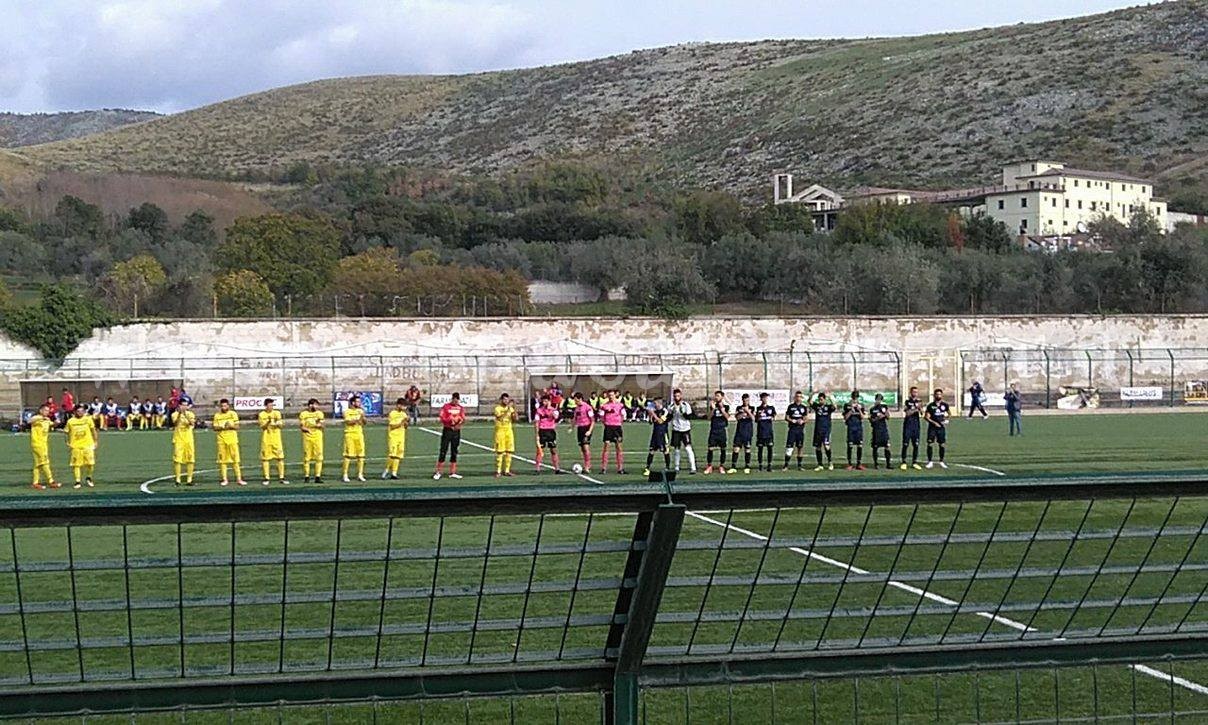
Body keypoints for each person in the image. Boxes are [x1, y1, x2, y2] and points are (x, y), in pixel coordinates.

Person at [433, 392, 466, 480]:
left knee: (454, 451)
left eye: (457, 399)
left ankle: (453, 472)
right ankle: (438, 472)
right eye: (455, 399)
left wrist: (459, 422)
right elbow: (442, 417)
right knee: (443, 450)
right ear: (452, 399)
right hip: (447, 430)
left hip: (456, 431)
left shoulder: (460, 408)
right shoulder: (446, 407)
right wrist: (449, 419)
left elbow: (463, 418)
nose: (456, 401)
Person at [213, 399, 245, 486]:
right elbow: (215, 428)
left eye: (225, 406)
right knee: (223, 461)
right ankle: (224, 479)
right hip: (221, 440)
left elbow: (237, 426)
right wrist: (222, 427)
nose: (224, 407)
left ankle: (239, 479)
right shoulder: (217, 415)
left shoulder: (233, 414)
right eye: (222, 406)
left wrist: (230, 426)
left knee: (236, 460)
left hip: (232, 440)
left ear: (228, 406)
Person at [65, 404, 98, 488]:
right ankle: (77, 481)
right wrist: (67, 442)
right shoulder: (70, 421)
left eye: (82, 411)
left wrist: (96, 441)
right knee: (76, 465)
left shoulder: (88, 419)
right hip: (76, 446)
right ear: (75, 412)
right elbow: (66, 432)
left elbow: (93, 430)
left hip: (88, 444)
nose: (80, 413)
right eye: (78, 411)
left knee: (91, 463)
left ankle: (89, 477)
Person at [28, 403, 59, 490]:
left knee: (37, 464)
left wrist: (56, 423)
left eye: (48, 411)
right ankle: (51, 481)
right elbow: (29, 421)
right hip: (38, 444)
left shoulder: (47, 419)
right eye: (45, 410)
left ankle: (35, 483)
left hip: (44, 444)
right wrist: (41, 417)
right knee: (45, 462)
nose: (47, 412)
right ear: (41, 410)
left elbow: (51, 424)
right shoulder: (36, 418)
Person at [259, 398, 287, 486]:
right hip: (266, 439)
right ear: (265, 406)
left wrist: (278, 423)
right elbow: (262, 427)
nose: (271, 407)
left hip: (276, 439)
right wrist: (268, 422)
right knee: (265, 459)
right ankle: (267, 478)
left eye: (272, 405)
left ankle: (281, 477)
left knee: (280, 458)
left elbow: (281, 424)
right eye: (269, 405)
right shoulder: (262, 414)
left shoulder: (277, 413)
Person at [668, 388, 697, 474]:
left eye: (678, 396)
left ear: (681, 396)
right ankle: (676, 467)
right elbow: (669, 417)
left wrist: (682, 412)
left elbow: (689, 417)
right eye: (675, 396)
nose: (677, 397)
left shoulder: (685, 405)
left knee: (688, 448)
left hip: (685, 430)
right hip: (676, 429)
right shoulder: (671, 406)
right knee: (676, 449)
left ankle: (693, 467)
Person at [533, 394, 562, 474]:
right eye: (543, 401)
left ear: (549, 401)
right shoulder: (539, 410)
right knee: (540, 450)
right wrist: (537, 434)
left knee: (553, 450)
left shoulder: (553, 410)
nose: (544, 403)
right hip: (542, 431)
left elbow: (556, 417)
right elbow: (536, 422)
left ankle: (557, 468)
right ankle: (537, 468)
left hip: (551, 431)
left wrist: (551, 411)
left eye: (546, 401)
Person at [599, 389, 626, 474]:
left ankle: (620, 468)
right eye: (609, 395)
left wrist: (618, 422)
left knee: (619, 447)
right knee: (606, 447)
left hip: (617, 428)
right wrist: (606, 423)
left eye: (612, 395)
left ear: (615, 395)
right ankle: (604, 468)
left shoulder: (620, 405)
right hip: (608, 427)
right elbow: (601, 417)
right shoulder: (604, 406)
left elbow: (623, 415)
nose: (611, 397)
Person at [171, 397, 197, 486]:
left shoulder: (190, 414)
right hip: (178, 439)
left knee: (190, 458)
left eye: (186, 405)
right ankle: (178, 479)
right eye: (183, 405)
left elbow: (192, 424)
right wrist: (179, 414)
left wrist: (185, 415)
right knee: (177, 459)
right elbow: (175, 423)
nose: (184, 407)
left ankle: (189, 479)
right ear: (179, 405)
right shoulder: (174, 414)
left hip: (189, 439)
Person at [382, 397, 410, 480]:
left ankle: (394, 473)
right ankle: (386, 470)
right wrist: (402, 422)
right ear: (398, 405)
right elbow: (392, 426)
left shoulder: (404, 414)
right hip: (393, 436)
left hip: (401, 437)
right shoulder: (392, 414)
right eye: (403, 406)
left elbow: (405, 426)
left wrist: (407, 422)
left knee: (398, 455)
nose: (405, 408)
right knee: (392, 455)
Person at [341, 394, 368, 482]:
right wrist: (357, 419)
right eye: (358, 401)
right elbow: (349, 422)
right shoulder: (346, 411)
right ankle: (345, 474)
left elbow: (364, 423)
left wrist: (363, 417)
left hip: (359, 434)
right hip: (349, 434)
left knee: (361, 455)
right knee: (348, 455)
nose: (359, 403)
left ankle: (360, 474)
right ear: (353, 402)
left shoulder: (360, 411)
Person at [643, 396, 671, 476]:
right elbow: (651, 422)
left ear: (659, 403)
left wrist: (653, 414)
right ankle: (647, 468)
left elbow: (660, 421)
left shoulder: (665, 411)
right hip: (655, 434)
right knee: (651, 451)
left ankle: (667, 467)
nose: (654, 405)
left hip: (662, 434)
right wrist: (650, 416)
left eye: (655, 403)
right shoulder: (654, 411)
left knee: (665, 451)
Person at [299, 398, 326, 483]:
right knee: (307, 457)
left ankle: (317, 476)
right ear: (310, 405)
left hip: (317, 437)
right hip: (307, 438)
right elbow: (302, 427)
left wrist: (316, 425)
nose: (316, 406)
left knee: (319, 457)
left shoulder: (319, 414)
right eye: (315, 404)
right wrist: (312, 426)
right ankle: (306, 476)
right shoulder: (304, 414)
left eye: (317, 405)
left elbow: (322, 425)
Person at [703, 390, 730, 475]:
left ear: (722, 397)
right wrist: (713, 409)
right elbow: (709, 418)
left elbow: (727, 417)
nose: (716, 397)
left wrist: (722, 409)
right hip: (713, 430)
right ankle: (709, 466)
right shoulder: (712, 406)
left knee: (723, 449)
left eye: (718, 396)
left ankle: (721, 466)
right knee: (710, 448)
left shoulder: (726, 406)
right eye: (715, 396)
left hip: (722, 430)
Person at [925, 388, 951, 469]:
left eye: (940, 394)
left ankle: (941, 461)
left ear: (942, 395)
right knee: (930, 444)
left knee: (942, 444)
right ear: (934, 395)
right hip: (932, 428)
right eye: (937, 394)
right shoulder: (930, 405)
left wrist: (946, 419)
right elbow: (926, 417)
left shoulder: (945, 405)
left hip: (941, 428)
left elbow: (949, 413)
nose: (938, 396)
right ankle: (930, 461)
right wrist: (934, 423)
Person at [493, 393, 518, 478]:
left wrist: (514, 409)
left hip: (509, 431)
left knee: (509, 451)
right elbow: (499, 417)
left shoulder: (510, 408)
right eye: (504, 399)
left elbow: (515, 419)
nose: (506, 401)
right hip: (500, 431)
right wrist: (508, 410)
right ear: (501, 400)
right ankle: (498, 471)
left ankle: (507, 471)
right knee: (500, 452)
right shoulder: (497, 408)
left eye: (507, 399)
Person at [811, 391, 836, 471]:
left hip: (826, 430)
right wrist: (812, 394)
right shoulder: (817, 406)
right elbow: (809, 402)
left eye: (821, 399)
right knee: (818, 447)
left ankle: (830, 462)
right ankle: (820, 464)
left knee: (826, 446)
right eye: (819, 400)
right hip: (818, 430)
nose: (820, 401)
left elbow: (834, 406)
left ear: (824, 400)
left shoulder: (828, 407)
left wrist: (830, 398)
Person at [783, 391, 808, 471]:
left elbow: (806, 418)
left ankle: (799, 466)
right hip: (792, 430)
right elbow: (786, 417)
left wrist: (802, 421)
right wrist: (792, 420)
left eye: (800, 397)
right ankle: (786, 465)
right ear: (795, 397)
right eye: (797, 396)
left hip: (800, 430)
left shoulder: (803, 407)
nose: (798, 398)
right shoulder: (791, 407)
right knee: (789, 448)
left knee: (800, 447)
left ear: (801, 398)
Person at [729, 393, 754, 474]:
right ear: (742, 400)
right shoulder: (739, 408)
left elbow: (753, 418)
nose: (746, 401)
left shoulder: (752, 408)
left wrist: (748, 412)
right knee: (736, 449)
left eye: (747, 400)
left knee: (747, 449)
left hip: (748, 432)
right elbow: (737, 417)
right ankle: (733, 467)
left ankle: (747, 467)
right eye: (744, 400)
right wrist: (743, 414)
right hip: (739, 431)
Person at [571, 392, 595, 473]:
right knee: (582, 448)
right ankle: (586, 464)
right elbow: (575, 419)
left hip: (586, 428)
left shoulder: (588, 407)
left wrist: (589, 431)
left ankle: (588, 466)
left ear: (580, 399)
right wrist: (571, 427)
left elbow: (592, 421)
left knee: (586, 447)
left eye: (576, 400)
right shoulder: (577, 408)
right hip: (580, 429)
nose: (575, 402)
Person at [900, 387, 923, 470]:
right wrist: (915, 409)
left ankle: (914, 462)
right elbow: (907, 413)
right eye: (914, 392)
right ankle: (904, 462)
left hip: (916, 426)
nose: (915, 394)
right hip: (908, 425)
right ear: (911, 392)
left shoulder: (919, 401)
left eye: (916, 392)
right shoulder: (907, 402)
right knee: (905, 444)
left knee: (916, 445)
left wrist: (920, 408)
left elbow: (921, 413)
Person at [843, 390, 866, 471]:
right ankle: (849, 464)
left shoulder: (861, 405)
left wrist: (859, 410)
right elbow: (845, 418)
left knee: (860, 445)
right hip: (851, 427)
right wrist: (851, 410)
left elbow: (863, 417)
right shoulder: (847, 405)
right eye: (854, 398)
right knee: (850, 445)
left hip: (859, 427)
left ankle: (859, 464)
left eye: (856, 398)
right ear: (851, 397)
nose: (855, 400)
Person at [754, 392, 776, 472]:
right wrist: (759, 417)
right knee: (760, 449)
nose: (765, 399)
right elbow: (756, 420)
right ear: (761, 399)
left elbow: (774, 417)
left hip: (769, 431)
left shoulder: (771, 408)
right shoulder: (758, 408)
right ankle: (760, 466)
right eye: (763, 398)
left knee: (770, 448)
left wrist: (771, 417)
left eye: (766, 398)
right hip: (761, 431)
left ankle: (769, 465)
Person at [869, 393, 892, 469]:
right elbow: (871, 420)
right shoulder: (872, 409)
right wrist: (877, 418)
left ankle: (888, 464)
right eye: (877, 399)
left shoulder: (884, 407)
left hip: (883, 430)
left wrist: (885, 414)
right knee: (875, 447)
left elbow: (888, 417)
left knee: (887, 446)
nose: (879, 401)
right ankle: (876, 464)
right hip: (876, 430)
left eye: (880, 399)